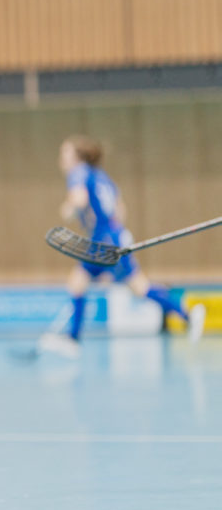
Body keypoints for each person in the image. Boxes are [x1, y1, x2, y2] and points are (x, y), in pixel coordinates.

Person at [39, 136, 204, 357]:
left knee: (139, 287)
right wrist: (118, 234)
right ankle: (73, 339)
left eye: (65, 153)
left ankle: (189, 314)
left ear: (77, 157)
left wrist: (68, 209)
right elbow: (120, 209)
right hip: (110, 237)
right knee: (79, 282)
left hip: (103, 241)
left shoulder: (78, 172)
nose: (61, 158)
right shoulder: (101, 176)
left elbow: (78, 200)